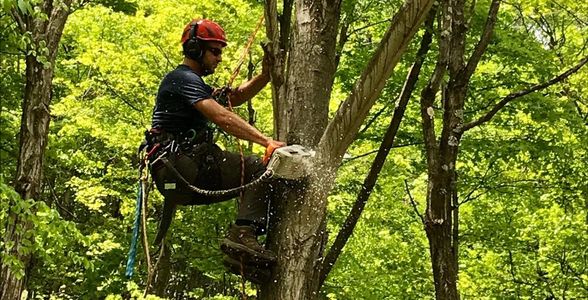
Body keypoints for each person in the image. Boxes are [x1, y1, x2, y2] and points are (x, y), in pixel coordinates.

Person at [146, 19, 284, 282]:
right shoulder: (182, 78)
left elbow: (232, 98)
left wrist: (265, 76)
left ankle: (243, 253)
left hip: (177, 175)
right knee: (261, 169)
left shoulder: (191, 84)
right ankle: (243, 234)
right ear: (196, 49)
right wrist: (266, 141)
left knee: (254, 175)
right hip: (182, 166)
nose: (219, 58)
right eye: (215, 51)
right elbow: (221, 115)